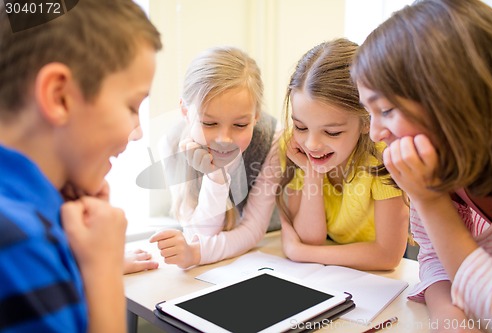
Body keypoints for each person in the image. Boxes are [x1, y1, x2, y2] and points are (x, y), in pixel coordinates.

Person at [0, 0, 161, 332]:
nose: (138, 131)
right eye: (132, 106)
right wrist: (103, 268)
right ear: (59, 96)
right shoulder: (20, 244)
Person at [351, 0, 492, 331]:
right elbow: (433, 255)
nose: (375, 133)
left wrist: (429, 199)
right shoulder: (435, 167)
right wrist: (448, 312)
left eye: (387, 109)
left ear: (453, 98)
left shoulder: (427, 184)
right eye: (369, 113)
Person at [276, 38, 409, 271]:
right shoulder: (295, 147)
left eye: (332, 132)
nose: (312, 144)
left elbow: (388, 256)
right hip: (332, 267)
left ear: (367, 121)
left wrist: (301, 252)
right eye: (301, 126)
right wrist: (312, 172)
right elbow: (310, 237)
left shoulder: (383, 155)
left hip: (375, 273)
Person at [150, 46, 281, 268]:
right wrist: (216, 177)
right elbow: (198, 235)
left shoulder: (273, 139)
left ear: (256, 116)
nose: (224, 139)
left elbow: (253, 230)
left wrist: (196, 255)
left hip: (268, 246)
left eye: (240, 125)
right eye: (209, 123)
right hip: (221, 259)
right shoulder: (171, 145)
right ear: (185, 111)